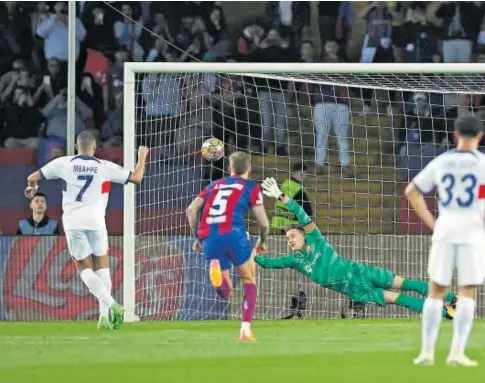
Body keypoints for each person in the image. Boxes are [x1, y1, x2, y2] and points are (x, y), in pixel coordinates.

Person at [256, 177, 457, 322]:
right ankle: (445, 313)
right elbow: (269, 263)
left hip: (360, 270)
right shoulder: (295, 260)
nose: (289, 240)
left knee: (404, 283)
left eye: (292, 236)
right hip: (355, 289)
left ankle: (450, 298)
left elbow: (300, 212)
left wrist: (280, 196)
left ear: (303, 234)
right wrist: (250, 254)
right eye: (287, 238)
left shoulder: (315, 237)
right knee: (398, 298)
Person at [24, 130, 149, 330]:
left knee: (84, 268)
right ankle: (104, 315)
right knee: (102, 265)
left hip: (73, 222)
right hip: (96, 221)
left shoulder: (63, 163)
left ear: (76, 147)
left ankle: (112, 305)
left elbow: (32, 177)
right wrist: (142, 158)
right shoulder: (105, 167)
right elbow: (136, 177)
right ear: (94, 148)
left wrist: (32, 187)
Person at [405, 115, 485, 367]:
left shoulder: (442, 161)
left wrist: (432, 223)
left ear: (455, 134)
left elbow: (411, 191)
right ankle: (456, 353)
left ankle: (427, 352)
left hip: (446, 228)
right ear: (480, 136)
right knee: (467, 290)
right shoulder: (482, 163)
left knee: (436, 289)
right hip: (471, 230)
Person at [186, 152, 270, 341]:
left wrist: (198, 238)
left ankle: (217, 277)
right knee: (249, 280)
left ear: (229, 169)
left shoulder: (213, 185)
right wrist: (263, 241)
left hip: (210, 236)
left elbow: (191, 209)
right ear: (249, 169)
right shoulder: (251, 187)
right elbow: (264, 223)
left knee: (227, 291)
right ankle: (245, 329)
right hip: (234, 234)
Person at [271, 162, 312, 234]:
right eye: (305, 174)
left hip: (283, 223)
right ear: (301, 173)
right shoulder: (297, 188)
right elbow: (305, 209)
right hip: (294, 224)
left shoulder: (285, 185)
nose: (305, 177)